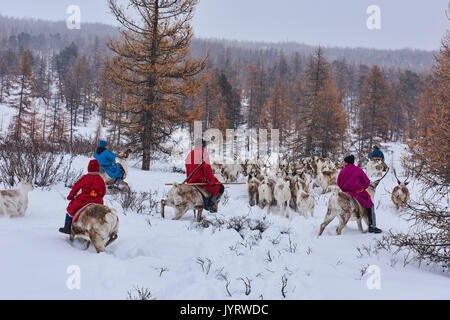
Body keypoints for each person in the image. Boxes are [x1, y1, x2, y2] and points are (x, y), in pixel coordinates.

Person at [59, 159, 106, 234]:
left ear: (89, 168)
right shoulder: (101, 180)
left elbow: (76, 187)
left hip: (84, 200)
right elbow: (103, 192)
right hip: (97, 201)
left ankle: (67, 228)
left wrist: (70, 196)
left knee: (70, 209)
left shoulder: (86, 177)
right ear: (98, 168)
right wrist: (98, 197)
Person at [337, 155, 382, 233]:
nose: (343, 163)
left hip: (345, 193)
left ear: (347, 162)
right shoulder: (358, 170)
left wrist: (344, 189)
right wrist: (363, 187)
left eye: (344, 161)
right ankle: (372, 226)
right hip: (358, 194)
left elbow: (338, 182)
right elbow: (367, 182)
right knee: (370, 204)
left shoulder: (343, 171)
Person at [185, 139, 224, 213]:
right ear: (203, 145)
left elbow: (187, 167)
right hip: (200, 179)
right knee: (220, 187)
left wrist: (189, 180)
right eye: (205, 145)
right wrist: (212, 181)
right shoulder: (203, 153)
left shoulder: (190, 154)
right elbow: (207, 169)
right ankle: (210, 205)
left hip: (190, 179)